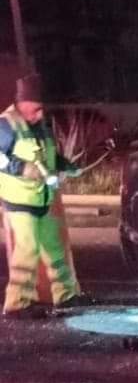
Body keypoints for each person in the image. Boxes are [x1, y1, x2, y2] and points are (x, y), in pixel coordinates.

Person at [0, 74, 85, 318]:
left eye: (42, 109)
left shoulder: (40, 124)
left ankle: (67, 297)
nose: (40, 114)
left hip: (42, 198)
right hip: (19, 200)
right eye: (36, 109)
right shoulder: (6, 125)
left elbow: (49, 155)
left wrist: (66, 165)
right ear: (22, 102)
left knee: (55, 249)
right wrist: (26, 170)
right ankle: (17, 304)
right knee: (27, 250)